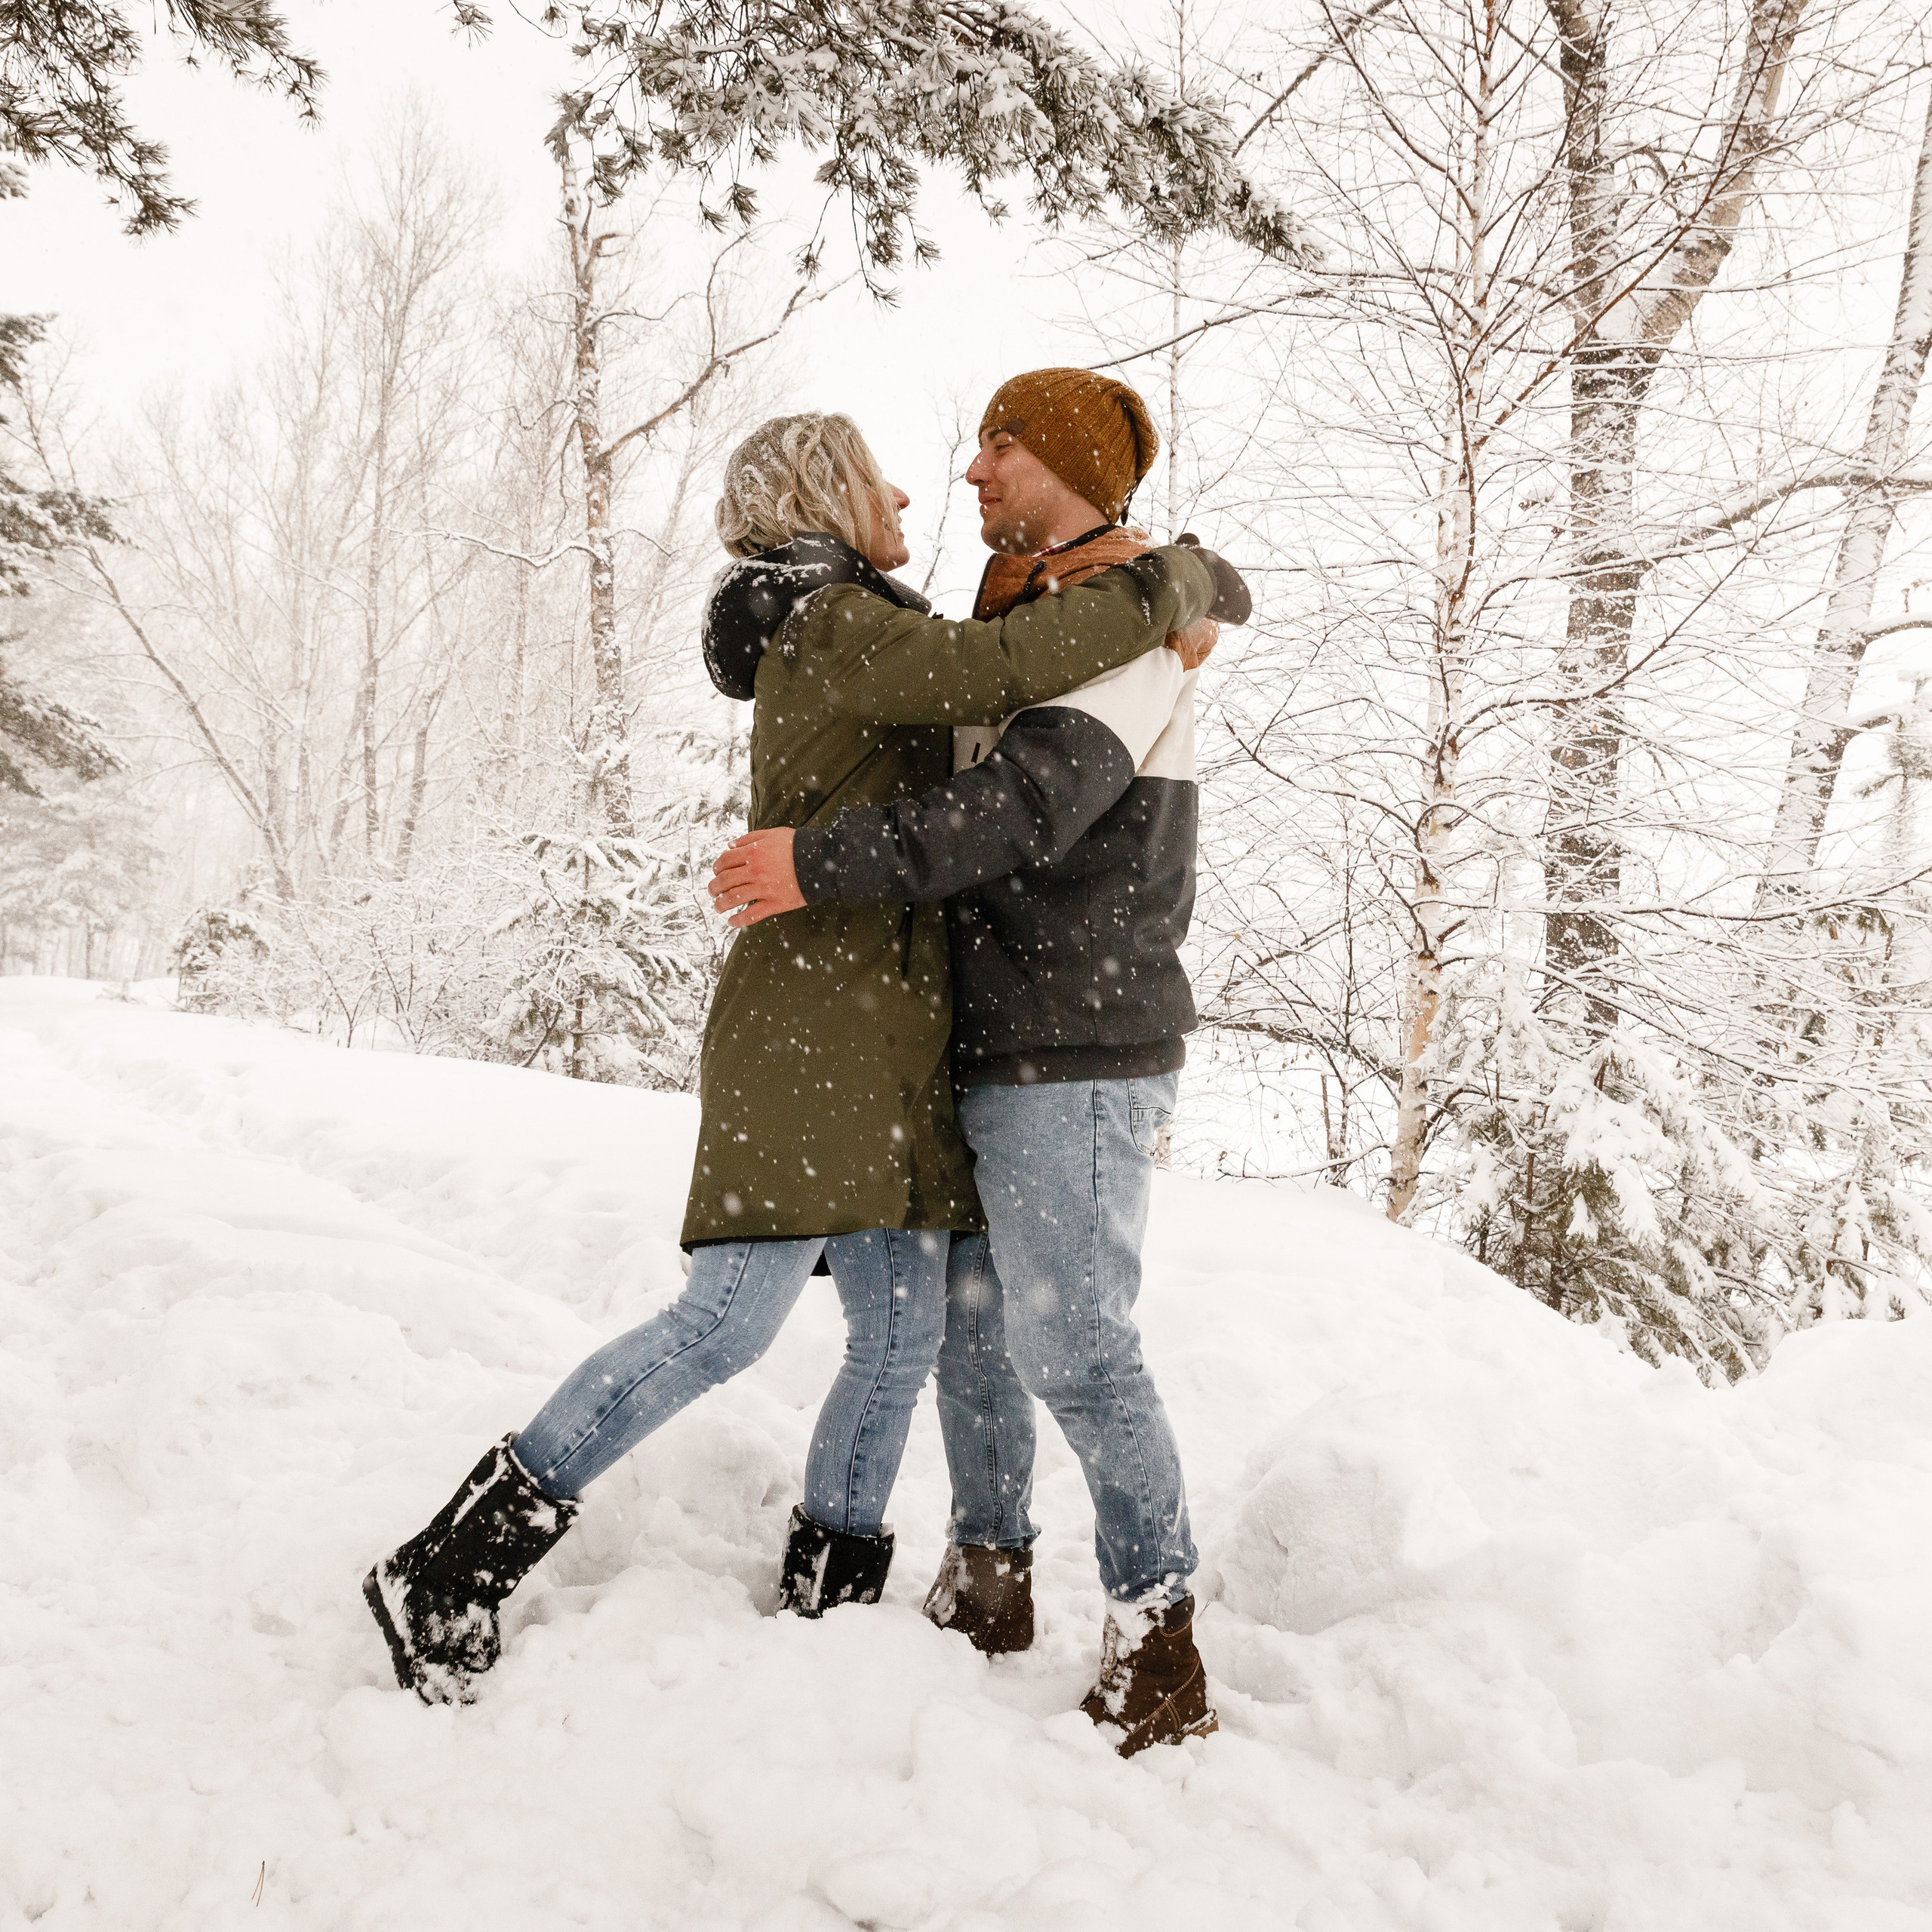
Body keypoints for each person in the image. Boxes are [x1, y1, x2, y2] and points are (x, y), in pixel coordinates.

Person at [363, 408, 1225, 1706]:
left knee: (900, 1335)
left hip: (900, 1029)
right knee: (724, 1324)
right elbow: (993, 673)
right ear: (827, 490)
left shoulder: (865, 615)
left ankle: (834, 1601)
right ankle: (453, 1562)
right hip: (816, 1018)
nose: (919, 494)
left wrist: (1189, 587)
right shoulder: (829, 618)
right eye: (884, 476)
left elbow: (1010, 661)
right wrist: (1177, 581)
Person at [707, 369, 1247, 1757]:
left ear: (1064, 461)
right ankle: (989, 1571)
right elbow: (906, 704)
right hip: (984, 1033)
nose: (971, 472)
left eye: (1000, 444)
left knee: (1075, 1341)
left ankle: (1157, 1632)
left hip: (1081, 1038)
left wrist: (810, 867)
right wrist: (768, 602)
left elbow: (1010, 814)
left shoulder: (1116, 644)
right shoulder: (1026, 628)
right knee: (968, 1331)